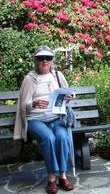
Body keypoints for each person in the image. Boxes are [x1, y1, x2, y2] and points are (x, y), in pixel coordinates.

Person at [14, 45, 75, 194]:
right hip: (36, 119)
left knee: (62, 137)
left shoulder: (58, 75)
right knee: (49, 138)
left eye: (48, 58)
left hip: (56, 117)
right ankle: (51, 179)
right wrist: (33, 103)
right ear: (36, 60)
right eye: (41, 58)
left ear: (52, 60)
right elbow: (23, 105)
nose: (45, 61)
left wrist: (70, 97)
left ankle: (63, 176)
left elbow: (70, 93)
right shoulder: (30, 78)